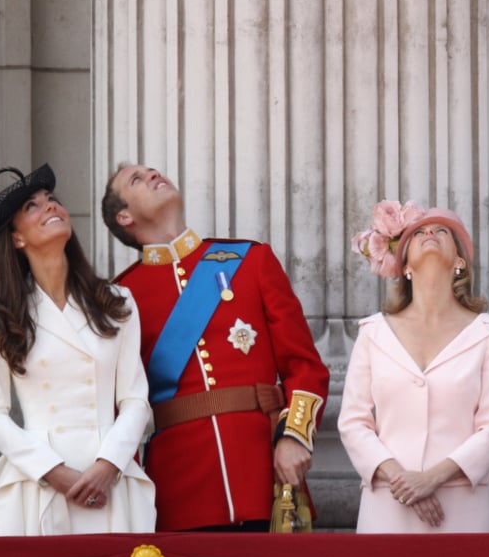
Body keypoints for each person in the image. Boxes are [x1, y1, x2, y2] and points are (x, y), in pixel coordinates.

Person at [101, 164, 329, 531]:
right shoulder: (119, 299)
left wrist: (294, 438)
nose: (154, 174)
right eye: (136, 180)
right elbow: (116, 409)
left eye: (152, 170)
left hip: (261, 473)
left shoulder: (251, 261)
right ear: (123, 216)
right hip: (178, 491)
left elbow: (304, 366)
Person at [0, 163, 155, 535]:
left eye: (52, 199)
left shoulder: (116, 302)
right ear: (17, 238)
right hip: (37, 483)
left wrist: (108, 465)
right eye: (32, 207)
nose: (50, 206)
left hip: (111, 481)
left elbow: (135, 400)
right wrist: (55, 473)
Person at [339, 201, 489, 533]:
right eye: (419, 231)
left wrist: (431, 479)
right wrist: (402, 479)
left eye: (441, 230)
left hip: (464, 508)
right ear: (403, 264)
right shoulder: (373, 333)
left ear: (460, 260)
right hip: (388, 506)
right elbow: (353, 422)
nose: (429, 233)